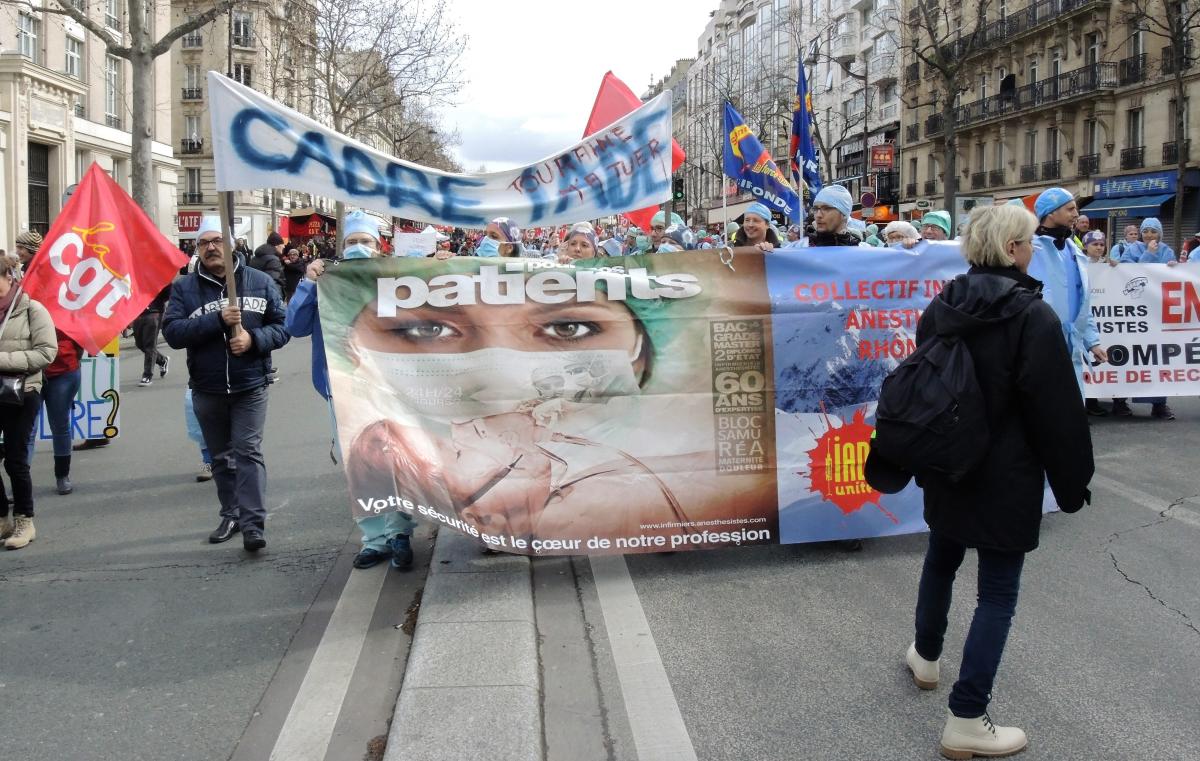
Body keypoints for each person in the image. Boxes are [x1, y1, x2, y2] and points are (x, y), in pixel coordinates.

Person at [879, 204, 1093, 760]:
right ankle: (967, 718)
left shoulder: (943, 302)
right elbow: (1057, 413)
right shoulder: (1033, 316)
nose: (1031, 250)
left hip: (949, 462)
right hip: (1007, 472)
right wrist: (1073, 485)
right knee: (997, 592)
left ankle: (926, 657)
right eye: (1026, 243)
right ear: (1013, 249)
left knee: (942, 558)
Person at [286, 210, 416, 571]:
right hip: (340, 389)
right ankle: (374, 540)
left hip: (389, 388)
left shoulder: (394, 279)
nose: (359, 248)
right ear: (342, 248)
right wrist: (308, 284)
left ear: (378, 247)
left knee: (396, 461)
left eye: (366, 242)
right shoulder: (325, 280)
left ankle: (400, 533)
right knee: (359, 465)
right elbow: (294, 326)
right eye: (352, 242)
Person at [162, 216, 290, 552]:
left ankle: (252, 525)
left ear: (233, 245)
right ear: (196, 249)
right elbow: (173, 334)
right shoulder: (183, 288)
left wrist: (253, 340)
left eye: (218, 240)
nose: (211, 247)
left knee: (247, 452)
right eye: (204, 243)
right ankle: (231, 513)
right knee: (221, 457)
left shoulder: (260, 282)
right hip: (207, 387)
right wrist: (216, 320)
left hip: (250, 384)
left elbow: (282, 327)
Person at [0, 257, 58, 550]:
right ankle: (2, 519)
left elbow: (47, 353)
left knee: (15, 459)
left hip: (22, 392)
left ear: (9, 277)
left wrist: (3, 361)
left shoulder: (31, 309)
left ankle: (25, 519)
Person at [1027, 187, 1106, 400]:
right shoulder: (1029, 249)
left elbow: (1083, 302)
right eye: (1070, 209)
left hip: (1071, 345)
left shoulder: (1073, 250)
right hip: (1039, 343)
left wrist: (1092, 340)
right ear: (1051, 212)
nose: (1076, 214)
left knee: (1070, 409)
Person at [1107, 218, 1177, 420]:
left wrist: (1174, 268)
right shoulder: (1131, 249)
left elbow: (1169, 279)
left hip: (1155, 311)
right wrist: (1149, 254)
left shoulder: (1167, 251)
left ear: (1160, 234)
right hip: (1132, 309)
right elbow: (1131, 274)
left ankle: (1159, 405)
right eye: (1145, 231)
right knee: (1125, 353)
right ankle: (1119, 401)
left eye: (1153, 231)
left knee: (1156, 359)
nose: (1148, 235)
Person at [132, 285, 171, 386]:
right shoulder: (135, 275)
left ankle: (147, 375)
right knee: (140, 344)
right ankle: (162, 360)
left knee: (150, 345)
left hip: (154, 312)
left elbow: (169, 293)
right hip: (138, 311)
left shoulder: (160, 275)